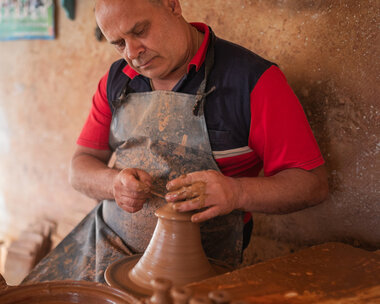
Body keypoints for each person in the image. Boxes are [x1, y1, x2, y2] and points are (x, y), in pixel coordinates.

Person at [24, 0, 328, 284]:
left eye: (140, 31)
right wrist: (113, 184)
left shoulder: (253, 81)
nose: (132, 52)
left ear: (172, 4)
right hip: (106, 244)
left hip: (195, 266)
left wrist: (237, 192)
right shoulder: (117, 80)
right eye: (118, 43)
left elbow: (312, 184)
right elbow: (79, 168)